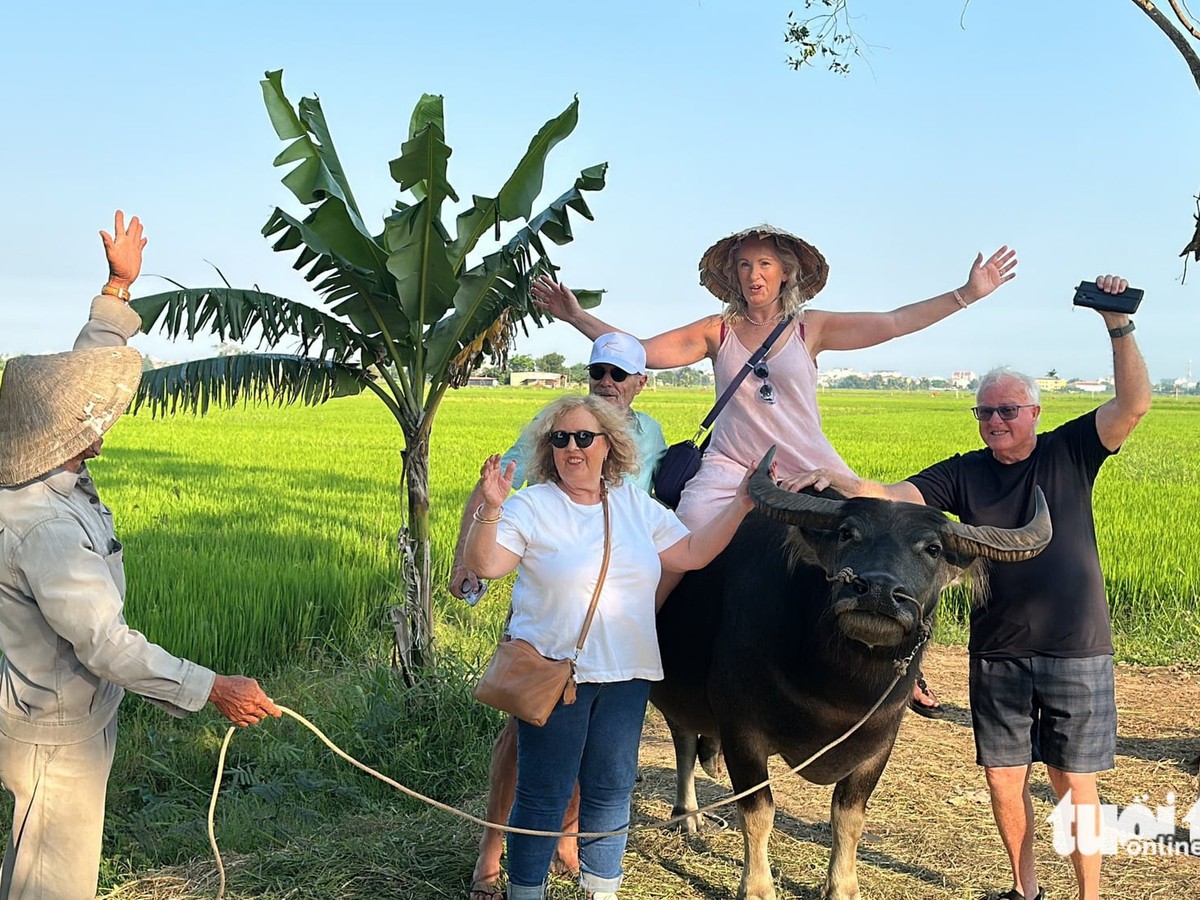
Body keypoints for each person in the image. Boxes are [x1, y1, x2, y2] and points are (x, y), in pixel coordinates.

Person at [531, 224, 1017, 711]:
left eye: (764, 264)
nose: (753, 275)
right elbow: (637, 350)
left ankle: (906, 664)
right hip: (732, 465)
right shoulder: (716, 331)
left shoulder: (812, 327)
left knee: (877, 533)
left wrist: (967, 294)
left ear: (786, 273)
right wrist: (576, 316)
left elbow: (893, 321)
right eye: (744, 265)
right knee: (678, 543)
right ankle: (634, 641)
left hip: (808, 461)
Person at [787, 274, 1151, 900]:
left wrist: (1117, 324)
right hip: (999, 648)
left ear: (1035, 413)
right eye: (985, 411)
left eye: (1008, 410)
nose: (995, 420)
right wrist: (837, 481)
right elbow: (896, 497)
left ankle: (1090, 895)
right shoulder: (963, 473)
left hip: (1075, 645)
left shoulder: (1070, 451)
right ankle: (1025, 889)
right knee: (1004, 782)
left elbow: (1134, 404)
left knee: (1073, 782)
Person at [0, 211, 282, 900]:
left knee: (31, 861)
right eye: (91, 423)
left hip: (48, 708)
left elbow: (73, 382)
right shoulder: (44, 526)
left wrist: (115, 291)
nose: (101, 429)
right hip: (53, 732)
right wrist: (213, 687)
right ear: (59, 434)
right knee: (52, 882)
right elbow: (107, 646)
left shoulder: (39, 468)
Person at [464, 394, 754, 900]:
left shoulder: (635, 505)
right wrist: (490, 509)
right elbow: (487, 565)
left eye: (583, 438)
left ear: (609, 446)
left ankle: (603, 891)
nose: (571, 449)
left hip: (626, 674)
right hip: (558, 675)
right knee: (543, 795)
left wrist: (744, 501)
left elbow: (692, 552)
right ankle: (525, 892)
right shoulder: (533, 505)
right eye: (560, 439)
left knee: (611, 790)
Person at [450, 332, 666, 900]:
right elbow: (495, 491)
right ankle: (493, 858)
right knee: (525, 748)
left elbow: (673, 525)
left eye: (620, 374)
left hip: (618, 623)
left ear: (640, 383)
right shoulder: (557, 427)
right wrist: (463, 559)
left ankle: (574, 847)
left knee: (604, 770)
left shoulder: (652, 436)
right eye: (598, 371)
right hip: (550, 619)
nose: (607, 382)